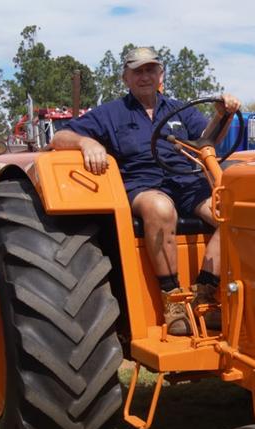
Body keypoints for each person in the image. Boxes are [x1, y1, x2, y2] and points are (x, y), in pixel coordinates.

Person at [51, 46, 241, 335]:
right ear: (125, 77)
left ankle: (205, 292)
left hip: (187, 183)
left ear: (160, 74)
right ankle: (173, 301)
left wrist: (222, 115)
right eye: (137, 71)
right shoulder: (110, 114)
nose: (144, 76)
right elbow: (60, 135)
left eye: (150, 70)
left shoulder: (179, 110)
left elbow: (207, 141)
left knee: (234, 215)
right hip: (143, 186)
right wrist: (85, 143)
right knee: (160, 208)